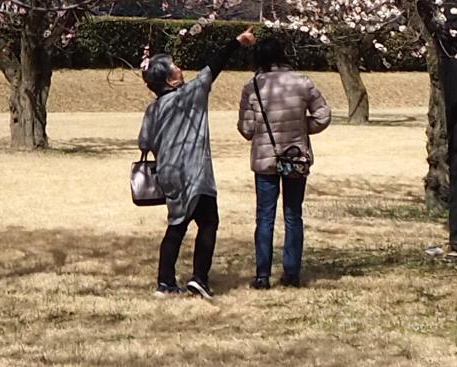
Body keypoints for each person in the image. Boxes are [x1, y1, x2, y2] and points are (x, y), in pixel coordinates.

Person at [138, 25, 255, 299]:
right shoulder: (191, 94)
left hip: (169, 174)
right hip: (196, 172)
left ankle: (165, 281)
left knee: (176, 225)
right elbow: (214, 66)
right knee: (209, 222)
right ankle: (199, 278)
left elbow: (144, 143)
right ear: (169, 80)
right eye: (174, 67)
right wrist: (237, 41)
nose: (179, 68)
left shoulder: (153, 109)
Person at [237, 36, 331, 289]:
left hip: (265, 159)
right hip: (295, 157)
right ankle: (292, 273)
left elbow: (246, 129)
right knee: (293, 215)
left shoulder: (252, 86)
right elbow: (323, 115)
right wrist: (302, 128)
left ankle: (262, 275)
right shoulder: (302, 81)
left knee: (264, 217)